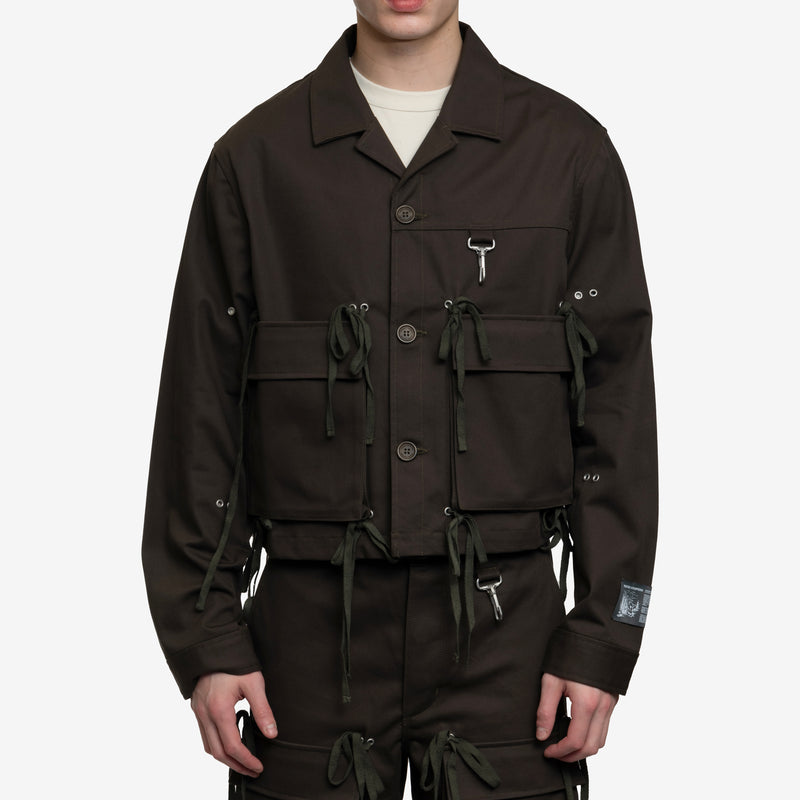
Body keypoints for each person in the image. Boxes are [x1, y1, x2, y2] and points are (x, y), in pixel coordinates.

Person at [142, 1, 658, 798]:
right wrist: (204, 637)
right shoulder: (255, 161)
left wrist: (603, 637)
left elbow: (615, 416)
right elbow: (200, 411)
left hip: (509, 642)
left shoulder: (567, 154)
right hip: (307, 646)